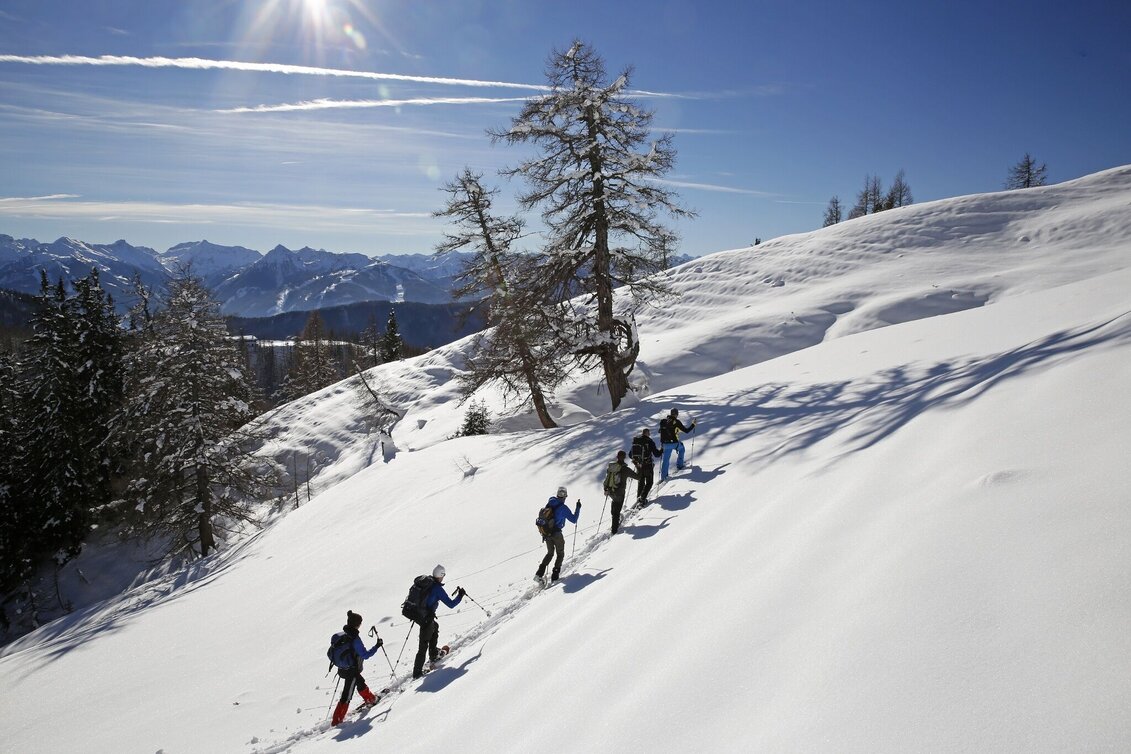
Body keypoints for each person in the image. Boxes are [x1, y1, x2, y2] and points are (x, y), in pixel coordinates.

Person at [330, 610, 384, 726]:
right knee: (347, 694)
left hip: (341, 669)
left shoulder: (341, 636)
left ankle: (371, 699)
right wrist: (377, 646)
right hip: (351, 671)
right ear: (357, 624)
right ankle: (337, 720)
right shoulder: (355, 639)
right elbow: (365, 655)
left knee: (360, 682)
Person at [413, 564, 464, 679]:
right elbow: (451, 604)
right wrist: (460, 596)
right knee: (423, 643)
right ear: (440, 575)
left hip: (419, 614)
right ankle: (417, 673)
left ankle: (434, 654)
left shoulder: (427, 582)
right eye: (443, 575)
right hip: (425, 617)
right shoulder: (437, 588)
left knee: (434, 626)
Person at [536, 486, 581, 582]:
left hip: (547, 534)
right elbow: (574, 520)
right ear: (565, 497)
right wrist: (578, 508)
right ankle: (555, 576)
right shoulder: (563, 508)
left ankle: (539, 573)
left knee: (550, 553)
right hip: (557, 534)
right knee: (560, 554)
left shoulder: (550, 502)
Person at [603, 450, 639, 535]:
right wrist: (637, 466)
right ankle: (614, 531)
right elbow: (638, 477)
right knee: (617, 511)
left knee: (614, 505)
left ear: (617, 457)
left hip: (610, 491)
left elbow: (607, 478)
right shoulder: (625, 469)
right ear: (625, 458)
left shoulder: (612, 466)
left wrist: (606, 489)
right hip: (620, 492)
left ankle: (614, 521)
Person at [658, 408, 696, 481]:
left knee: (666, 460)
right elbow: (686, 431)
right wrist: (693, 424)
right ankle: (680, 465)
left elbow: (660, 431)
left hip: (665, 444)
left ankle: (664, 477)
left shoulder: (663, 421)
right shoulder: (676, 422)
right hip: (674, 443)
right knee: (682, 449)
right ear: (676, 414)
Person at [630, 428, 662, 505]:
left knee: (641, 482)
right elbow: (657, 454)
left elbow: (630, 455)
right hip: (648, 465)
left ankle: (639, 498)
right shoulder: (649, 441)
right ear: (647, 433)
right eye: (649, 433)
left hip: (639, 465)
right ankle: (642, 499)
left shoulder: (636, 441)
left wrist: (637, 460)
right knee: (649, 482)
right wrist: (661, 450)